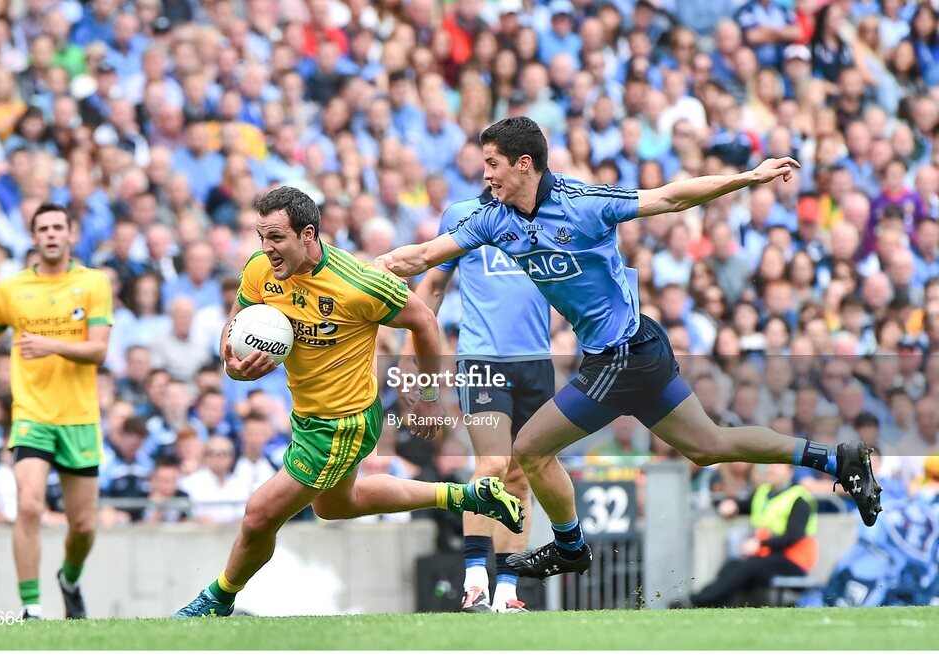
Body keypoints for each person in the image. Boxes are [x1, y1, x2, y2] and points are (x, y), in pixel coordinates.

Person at [376, 116, 882, 580]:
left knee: (529, 449)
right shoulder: (494, 219)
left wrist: (746, 178)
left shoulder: (584, 204)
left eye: (492, 165)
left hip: (624, 352)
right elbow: (423, 255)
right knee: (709, 447)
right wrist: (358, 268)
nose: (485, 176)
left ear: (523, 165)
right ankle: (836, 459)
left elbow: (670, 198)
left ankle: (570, 547)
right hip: (630, 353)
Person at [173, 187, 524, 618]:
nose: (267, 249)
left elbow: (425, 321)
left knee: (259, 515)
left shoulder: (358, 283)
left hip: (344, 423)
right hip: (307, 416)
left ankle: (215, 602)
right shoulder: (260, 270)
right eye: (261, 236)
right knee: (336, 504)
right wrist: (234, 366)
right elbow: (232, 336)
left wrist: (430, 396)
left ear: (308, 234)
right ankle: (466, 495)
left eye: (276, 238)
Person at [0, 203, 113, 620]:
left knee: (83, 526)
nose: (51, 234)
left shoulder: (93, 283)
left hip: (80, 418)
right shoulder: (11, 290)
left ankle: (69, 579)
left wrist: (51, 345)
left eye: (58, 227)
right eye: (43, 228)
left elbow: (99, 350)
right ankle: (31, 608)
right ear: (33, 238)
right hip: (32, 416)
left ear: (71, 233)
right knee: (28, 505)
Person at [408, 186, 551, 613]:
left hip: (538, 360)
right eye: (488, 164)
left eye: (496, 161)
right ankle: (474, 582)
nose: (492, 171)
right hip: (481, 359)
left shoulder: (549, 216)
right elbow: (432, 285)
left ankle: (507, 590)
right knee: (490, 466)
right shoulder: (463, 214)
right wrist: (420, 371)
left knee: (521, 476)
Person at [685, 463, 818, 607]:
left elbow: (793, 535)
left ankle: (698, 602)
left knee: (747, 567)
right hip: (769, 557)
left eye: (778, 466)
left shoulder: (799, 498)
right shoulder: (763, 492)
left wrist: (760, 543)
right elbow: (744, 505)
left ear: (790, 471)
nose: (771, 469)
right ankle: (710, 602)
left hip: (793, 561)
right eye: (770, 465)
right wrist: (731, 505)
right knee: (733, 565)